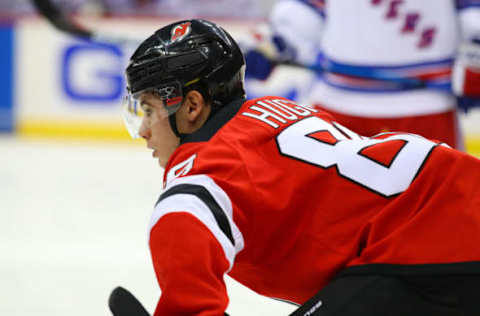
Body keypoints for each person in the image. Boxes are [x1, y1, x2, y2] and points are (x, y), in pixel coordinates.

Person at [121, 19, 480, 316]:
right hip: (458, 201)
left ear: (193, 106)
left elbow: (189, 299)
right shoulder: (274, 110)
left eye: (149, 110)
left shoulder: (197, 184)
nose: (143, 130)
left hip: (427, 246)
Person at [242, 0, 480, 150]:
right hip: (339, 108)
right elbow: (306, 9)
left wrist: (476, 60)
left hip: (427, 109)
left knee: (437, 210)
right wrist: (275, 43)